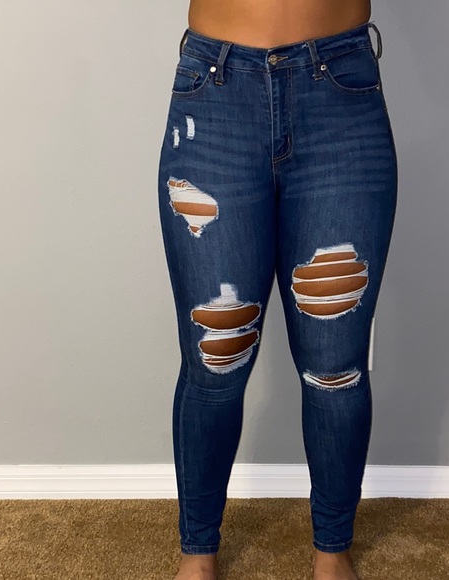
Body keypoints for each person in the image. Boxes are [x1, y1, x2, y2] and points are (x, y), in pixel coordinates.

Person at [157, 1, 398, 578]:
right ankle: (198, 552)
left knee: (334, 366)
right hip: (215, 93)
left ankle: (332, 550)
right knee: (217, 357)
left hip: (340, 93)